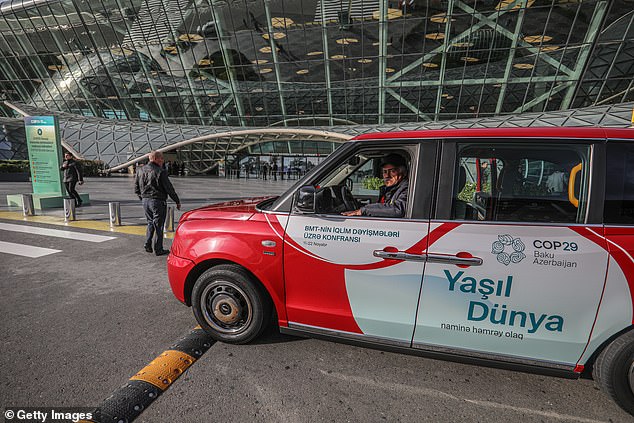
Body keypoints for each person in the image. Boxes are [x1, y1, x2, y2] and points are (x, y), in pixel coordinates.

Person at [134, 151, 181, 256]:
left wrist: (142, 198)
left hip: (145, 201)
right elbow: (169, 188)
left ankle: (147, 244)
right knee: (159, 226)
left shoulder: (140, 170)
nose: (162, 161)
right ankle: (158, 249)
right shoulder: (161, 171)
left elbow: (136, 188)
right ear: (155, 159)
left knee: (150, 222)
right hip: (157, 201)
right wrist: (177, 201)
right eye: (161, 159)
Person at [342, 153, 409, 218]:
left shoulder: (407, 189)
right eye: (384, 172)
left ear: (403, 172)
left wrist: (363, 211)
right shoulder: (390, 189)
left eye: (392, 171)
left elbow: (397, 209)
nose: (387, 175)